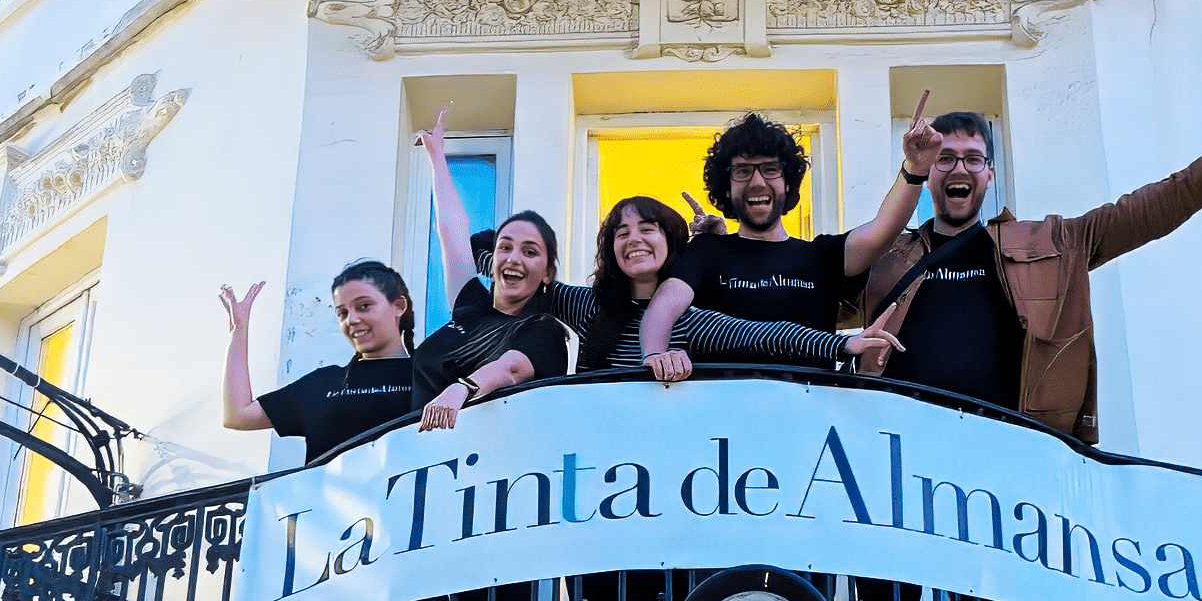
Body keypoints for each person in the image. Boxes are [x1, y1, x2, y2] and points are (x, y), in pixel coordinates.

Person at [853, 101, 1202, 443]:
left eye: (972, 159)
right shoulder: (887, 254)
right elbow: (809, 290)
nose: (959, 169)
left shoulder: (1051, 242)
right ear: (929, 174)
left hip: (1015, 449)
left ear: (990, 174)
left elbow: (1143, 213)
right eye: (945, 159)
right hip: (902, 451)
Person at [636, 93, 943, 379]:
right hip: (721, 422)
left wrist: (915, 169)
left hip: (807, 423)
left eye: (770, 170)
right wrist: (654, 355)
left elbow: (882, 233)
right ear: (726, 188)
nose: (757, 182)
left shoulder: (820, 256)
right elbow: (664, 306)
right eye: (742, 171)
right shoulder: (706, 250)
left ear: (788, 182)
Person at [545, 195, 904, 372]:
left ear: (673, 241)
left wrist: (843, 345)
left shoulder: (691, 321)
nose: (633, 239)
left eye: (647, 229)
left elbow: (768, 335)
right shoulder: (589, 305)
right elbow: (512, 273)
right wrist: (508, 250)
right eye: (620, 233)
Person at [414, 111, 571, 431]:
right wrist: (437, 157)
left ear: (547, 273)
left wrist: (462, 388)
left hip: (485, 472)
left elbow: (509, 369)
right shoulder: (471, 304)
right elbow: (452, 233)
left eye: (530, 252)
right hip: (417, 461)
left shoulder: (545, 330)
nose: (514, 258)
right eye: (505, 247)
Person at [220, 259, 417, 465]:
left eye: (364, 306)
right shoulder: (323, 383)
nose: (351, 320)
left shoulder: (429, 374)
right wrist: (238, 330)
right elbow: (237, 415)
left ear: (399, 306)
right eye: (343, 312)